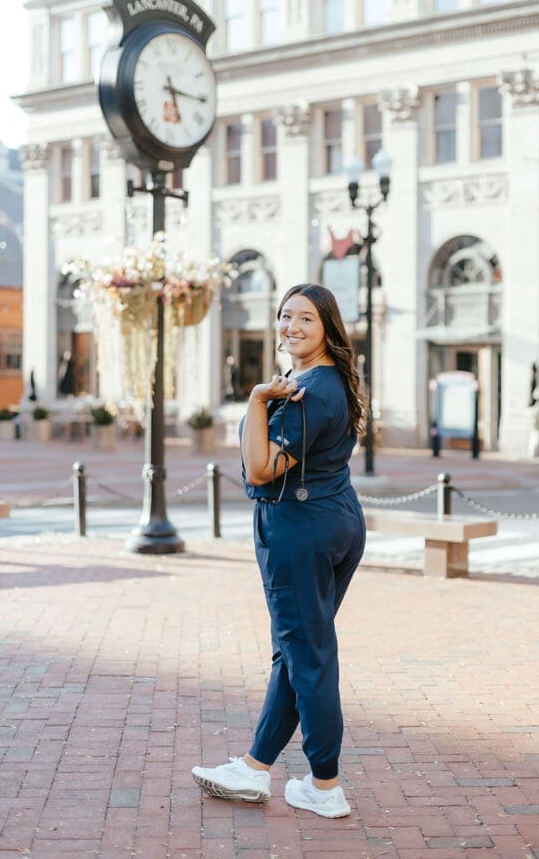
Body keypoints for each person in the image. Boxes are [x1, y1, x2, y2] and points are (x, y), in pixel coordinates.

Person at [192, 283, 366, 818]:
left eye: (305, 319)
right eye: (285, 316)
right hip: (334, 520)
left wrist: (254, 399)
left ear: (327, 329)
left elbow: (261, 469)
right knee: (297, 650)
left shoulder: (306, 391)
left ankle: (325, 784)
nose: (291, 327)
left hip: (299, 529)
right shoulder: (324, 381)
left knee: (307, 654)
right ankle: (255, 765)